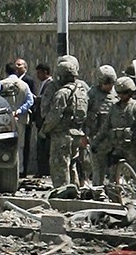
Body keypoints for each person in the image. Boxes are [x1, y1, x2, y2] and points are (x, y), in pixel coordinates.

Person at [39, 58, 88, 190]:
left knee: (59, 165)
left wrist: (45, 130)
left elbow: (54, 115)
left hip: (61, 134)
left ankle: (62, 192)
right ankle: (74, 190)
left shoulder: (61, 93)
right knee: (72, 164)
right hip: (76, 133)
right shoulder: (81, 90)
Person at [100, 76, 136, 181]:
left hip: (132, 148)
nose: (121, 96)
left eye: (124, 93)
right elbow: (105, 126)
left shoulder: (135, 107)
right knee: (113, 175)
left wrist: (135, 134)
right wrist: (96, 142)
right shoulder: (114, 107)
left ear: (130, 92)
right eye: (119, 93)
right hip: (117, 147)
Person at [0, 63, 33, 177]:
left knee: (3, 144)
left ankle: (3, 167)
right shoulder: (24, 85)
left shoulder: (0, 84)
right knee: (20, 145)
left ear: (6, 72)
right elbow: (30, 101)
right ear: (16, 72)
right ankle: (19, 170)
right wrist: (19, 110)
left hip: (4, 120)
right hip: (20, 119)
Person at [86, 65, 119, 186]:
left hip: (114, 138)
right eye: (106, 83)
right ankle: (98, 192)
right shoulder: (92, 94)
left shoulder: (117, 93)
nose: (109, 86)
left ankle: (114, 192)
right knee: (98, 170)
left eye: (111, 83)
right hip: (97, 138)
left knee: (114, 171)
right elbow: (83, 114)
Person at [14, 58, 37, 174]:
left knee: (25, 143)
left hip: (25, 116)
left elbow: (31, 98)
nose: (17, 67)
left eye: (19, 65)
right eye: (16, 65)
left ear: (25, 67)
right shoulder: (13, 81)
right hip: (15, 116)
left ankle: (24, 169)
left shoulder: (28, 81)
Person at [34, 63, 53, 177]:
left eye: (39, 73)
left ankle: (45, 170)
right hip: (40, 120)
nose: (37, 75)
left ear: (45, 72)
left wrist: (37, 99)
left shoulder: (50, 84)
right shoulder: (43, 84)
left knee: (45, 147)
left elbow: (46, 99)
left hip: (45, 120)